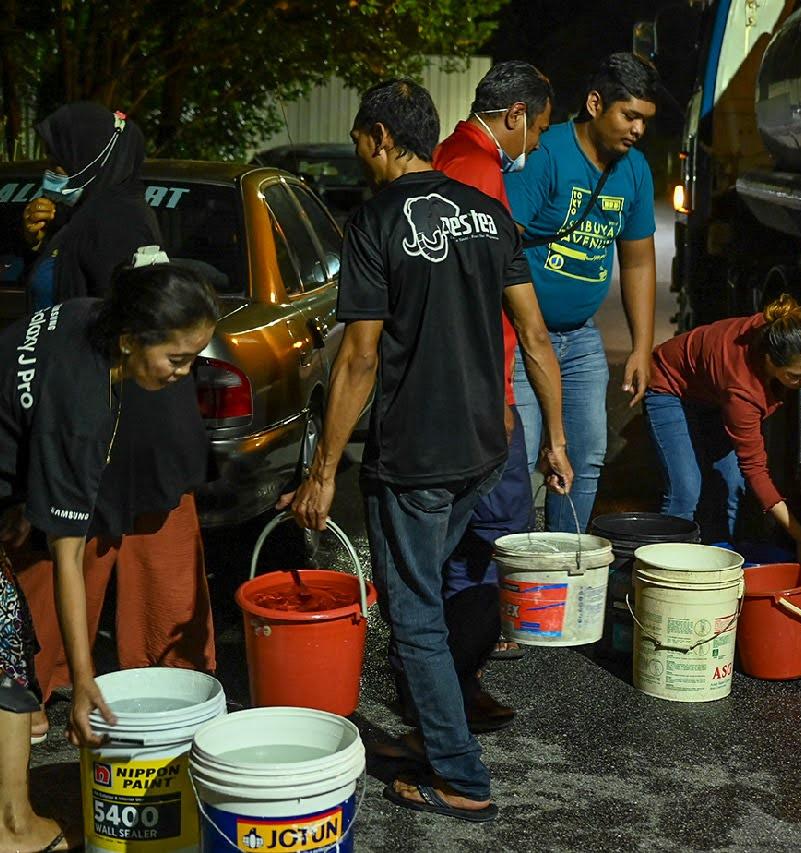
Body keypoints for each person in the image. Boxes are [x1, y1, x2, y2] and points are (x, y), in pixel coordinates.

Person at [284, 79, 566, 823]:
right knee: (430, 588)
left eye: (357, 139)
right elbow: (536, 339)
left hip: (415, 455)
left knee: (411, 611)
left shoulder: (373, 223)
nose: (357, 152)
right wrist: (555, 441)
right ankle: (434, 726)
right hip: (486, 446)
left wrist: (321, 473)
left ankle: (461, 774)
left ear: (380, 136)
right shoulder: (490, 214)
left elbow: (358, 360)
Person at [0, 260, 219, 853]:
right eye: (176, 359)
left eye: (195, 358)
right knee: (10, 656)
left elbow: (22, 403)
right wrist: (85, 682)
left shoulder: (88, 314)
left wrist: (22, 494)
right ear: (131, 340)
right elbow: (68, 561)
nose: (185, 373)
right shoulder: (82, 415)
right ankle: (12, 829)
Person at [16, 104, 215, 743]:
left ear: (92, 161)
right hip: (87, 418)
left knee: (105, 560)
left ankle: (163, 695)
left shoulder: (118, 220)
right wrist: (40, 237)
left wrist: (106, 437)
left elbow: (141, 335)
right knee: (62, 561)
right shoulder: (85, 216)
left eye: (58, 161)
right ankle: (34, 692)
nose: (50, 173)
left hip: (124, 427)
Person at [431, 61, 560, 699]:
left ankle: (453, 673)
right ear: (513, 116)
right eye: (534, 131)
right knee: (502, 530)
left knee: (464, 538)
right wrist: (504, 402)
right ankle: (450, 679)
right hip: (481, 393)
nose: (534, 146)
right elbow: (482, 304)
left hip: (467, 390)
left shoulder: (453, 156)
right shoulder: (477, 174)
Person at [505, 52, 660, 533]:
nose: (637, 130)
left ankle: (562, 569)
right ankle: (511, 578)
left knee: (588, 455)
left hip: (580, 339)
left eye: (644, 120)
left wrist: (641, 346)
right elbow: (502, 246)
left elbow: (637, 259)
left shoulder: (634, 170)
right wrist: (527, 335)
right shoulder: (544, 156)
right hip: (521, 338)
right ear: (595, 103)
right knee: (523, 458)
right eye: (628, 115)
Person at [645, 294, 801, 563]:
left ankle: (722, 564)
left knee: (730, 486)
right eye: (796, 375)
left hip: (711, 395)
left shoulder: (782, 329)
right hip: (670, 386)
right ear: (769, 360)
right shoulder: (742, 390)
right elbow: (754, 468)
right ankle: (665, 573)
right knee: (686, 489)